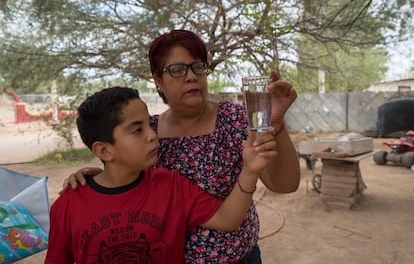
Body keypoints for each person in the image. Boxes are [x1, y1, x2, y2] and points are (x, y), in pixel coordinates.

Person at [63, 29, 300, 263]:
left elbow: (285, 184)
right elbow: (121, 183)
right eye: (176, 70)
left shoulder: (235, 119)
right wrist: (92, 180)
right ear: (158, 81)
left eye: (198, 66)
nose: (191, 76)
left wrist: (276, 124)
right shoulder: (148, 133)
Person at [45, 86, 277, 264]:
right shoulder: (68, 205)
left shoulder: (171, 186)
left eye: (149, 124)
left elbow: (228, 219)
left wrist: (250, 170)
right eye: (137, 130)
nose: (152, 135)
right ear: (104, 150)